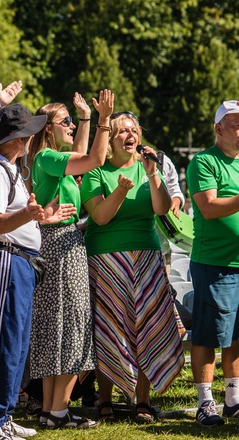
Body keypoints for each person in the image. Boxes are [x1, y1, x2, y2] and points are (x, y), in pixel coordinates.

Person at [81, 111, 184, 423]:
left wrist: (153, 174)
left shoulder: (148, 167)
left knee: (147, 327)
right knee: (110, 328)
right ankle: (105, 401)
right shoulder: (96, 172)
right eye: (121, 131)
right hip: (106, 259)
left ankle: (142, 400)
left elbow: (162, 208)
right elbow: (99, 217)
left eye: (133, 130)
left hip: (148, 257)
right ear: (110, 141)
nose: (130, 135)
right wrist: (121, 190)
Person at [26, 90, 114, 428]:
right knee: (72, 327)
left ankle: (52, 411)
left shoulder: (48, 158)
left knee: (57, 328)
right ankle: (58, 411)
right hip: (61, 245)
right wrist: (104, 119)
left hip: (53, 244)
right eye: (64, 122)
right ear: (48, 128)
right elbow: (94, 160)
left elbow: (81, 153)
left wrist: (85, 119)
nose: (70, 127)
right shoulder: (48, 157)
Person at [0, 104, 57, 440]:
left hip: (16, 260)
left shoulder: (6, 167)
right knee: (1, 342)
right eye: (28, 133)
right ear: (18, 138)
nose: (31, 138)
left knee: (16, 342)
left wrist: (36, 216)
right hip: (4, 259)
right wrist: (28, 215)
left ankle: (2, 415)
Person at [186, 100, 239, 426]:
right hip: (214, 262)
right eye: (235, 124)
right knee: (208, 335)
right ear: (218, 129)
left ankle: (233, 398)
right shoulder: (203, 162)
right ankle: (206, 402)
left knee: (237, 335)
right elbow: (208, 207)